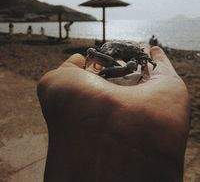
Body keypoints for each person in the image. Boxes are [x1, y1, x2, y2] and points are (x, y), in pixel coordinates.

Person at [37, 46, 190, 182]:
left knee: (127, 66)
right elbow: (91, 52)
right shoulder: (107, 50)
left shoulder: (137, 55)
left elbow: (140, 62)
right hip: (107, 55)